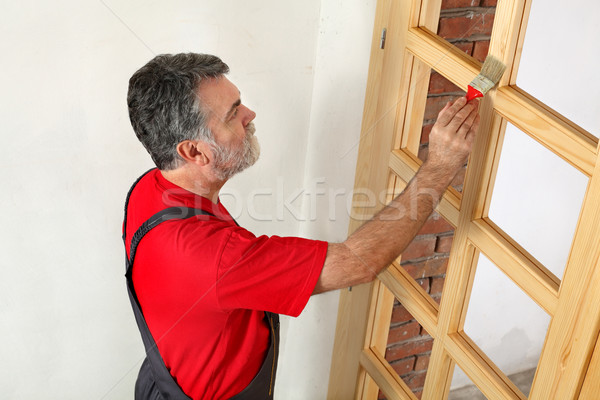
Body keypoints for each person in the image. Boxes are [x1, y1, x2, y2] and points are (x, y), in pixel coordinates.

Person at [124, 53, 479, 400]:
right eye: (233, 114)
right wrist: (440, 167)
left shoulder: (148, 189)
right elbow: (358, 263)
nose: (250, 115)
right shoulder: (214, 256)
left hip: (162, 381)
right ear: (194, 152)